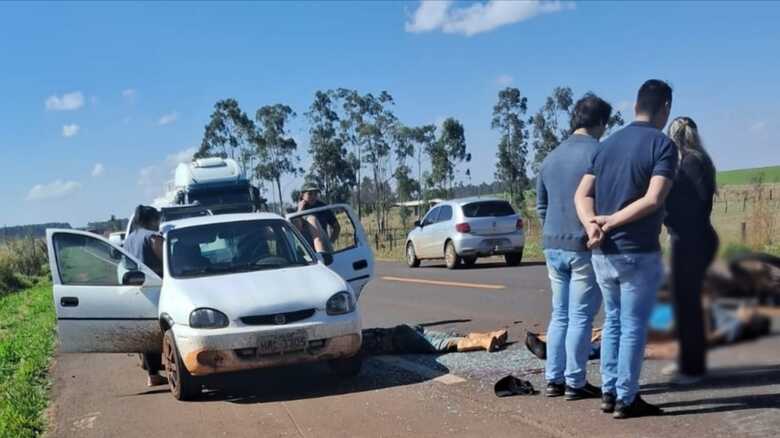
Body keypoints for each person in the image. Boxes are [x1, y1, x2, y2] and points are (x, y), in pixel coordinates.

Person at [574, 79, 678, 419]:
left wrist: (593, 223)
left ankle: (609, 391)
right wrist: (610, 222)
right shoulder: (662, 145)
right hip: (638, 251)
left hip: (603, 254)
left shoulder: (606, 145)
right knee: (633, 325)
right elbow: (654, 198)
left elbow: (582, 194)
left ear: (636, 105)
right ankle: (627, 398)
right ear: (665, 107)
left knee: (614, 321)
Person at [536, 93, 613, 400]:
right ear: (602, 122)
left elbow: (541, 205)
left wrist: (552, 231)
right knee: (581, 316)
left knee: (560, 314)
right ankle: (575, 381)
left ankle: (553, 379)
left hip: (552, 245)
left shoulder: (550, 157)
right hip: (583, 244)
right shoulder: (601, 153)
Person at [663, 117, 719, 383]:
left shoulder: (689, 163)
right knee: (687, 303)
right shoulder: (700, 159)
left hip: (690, 241)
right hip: (696, 239)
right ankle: (689, 361)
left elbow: (692, 206)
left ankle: (692, 367)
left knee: (687, 305)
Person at [123, 205, 166, 386]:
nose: (158, 224)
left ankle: (153, 374)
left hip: (137, 288)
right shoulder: (152, 237)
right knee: (162, 328)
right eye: (157, 220)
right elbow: (167, 260)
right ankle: (158, 373)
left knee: (147, 331)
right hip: (157, 287)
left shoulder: (129, 239)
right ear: (150, 220)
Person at [360, 324, 508, 355]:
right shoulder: (356, 333)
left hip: (401, 339)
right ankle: (491, 334)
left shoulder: (356, 345)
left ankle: (484, 342)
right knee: (452, 336)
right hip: (408, 329)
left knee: (445, 344)